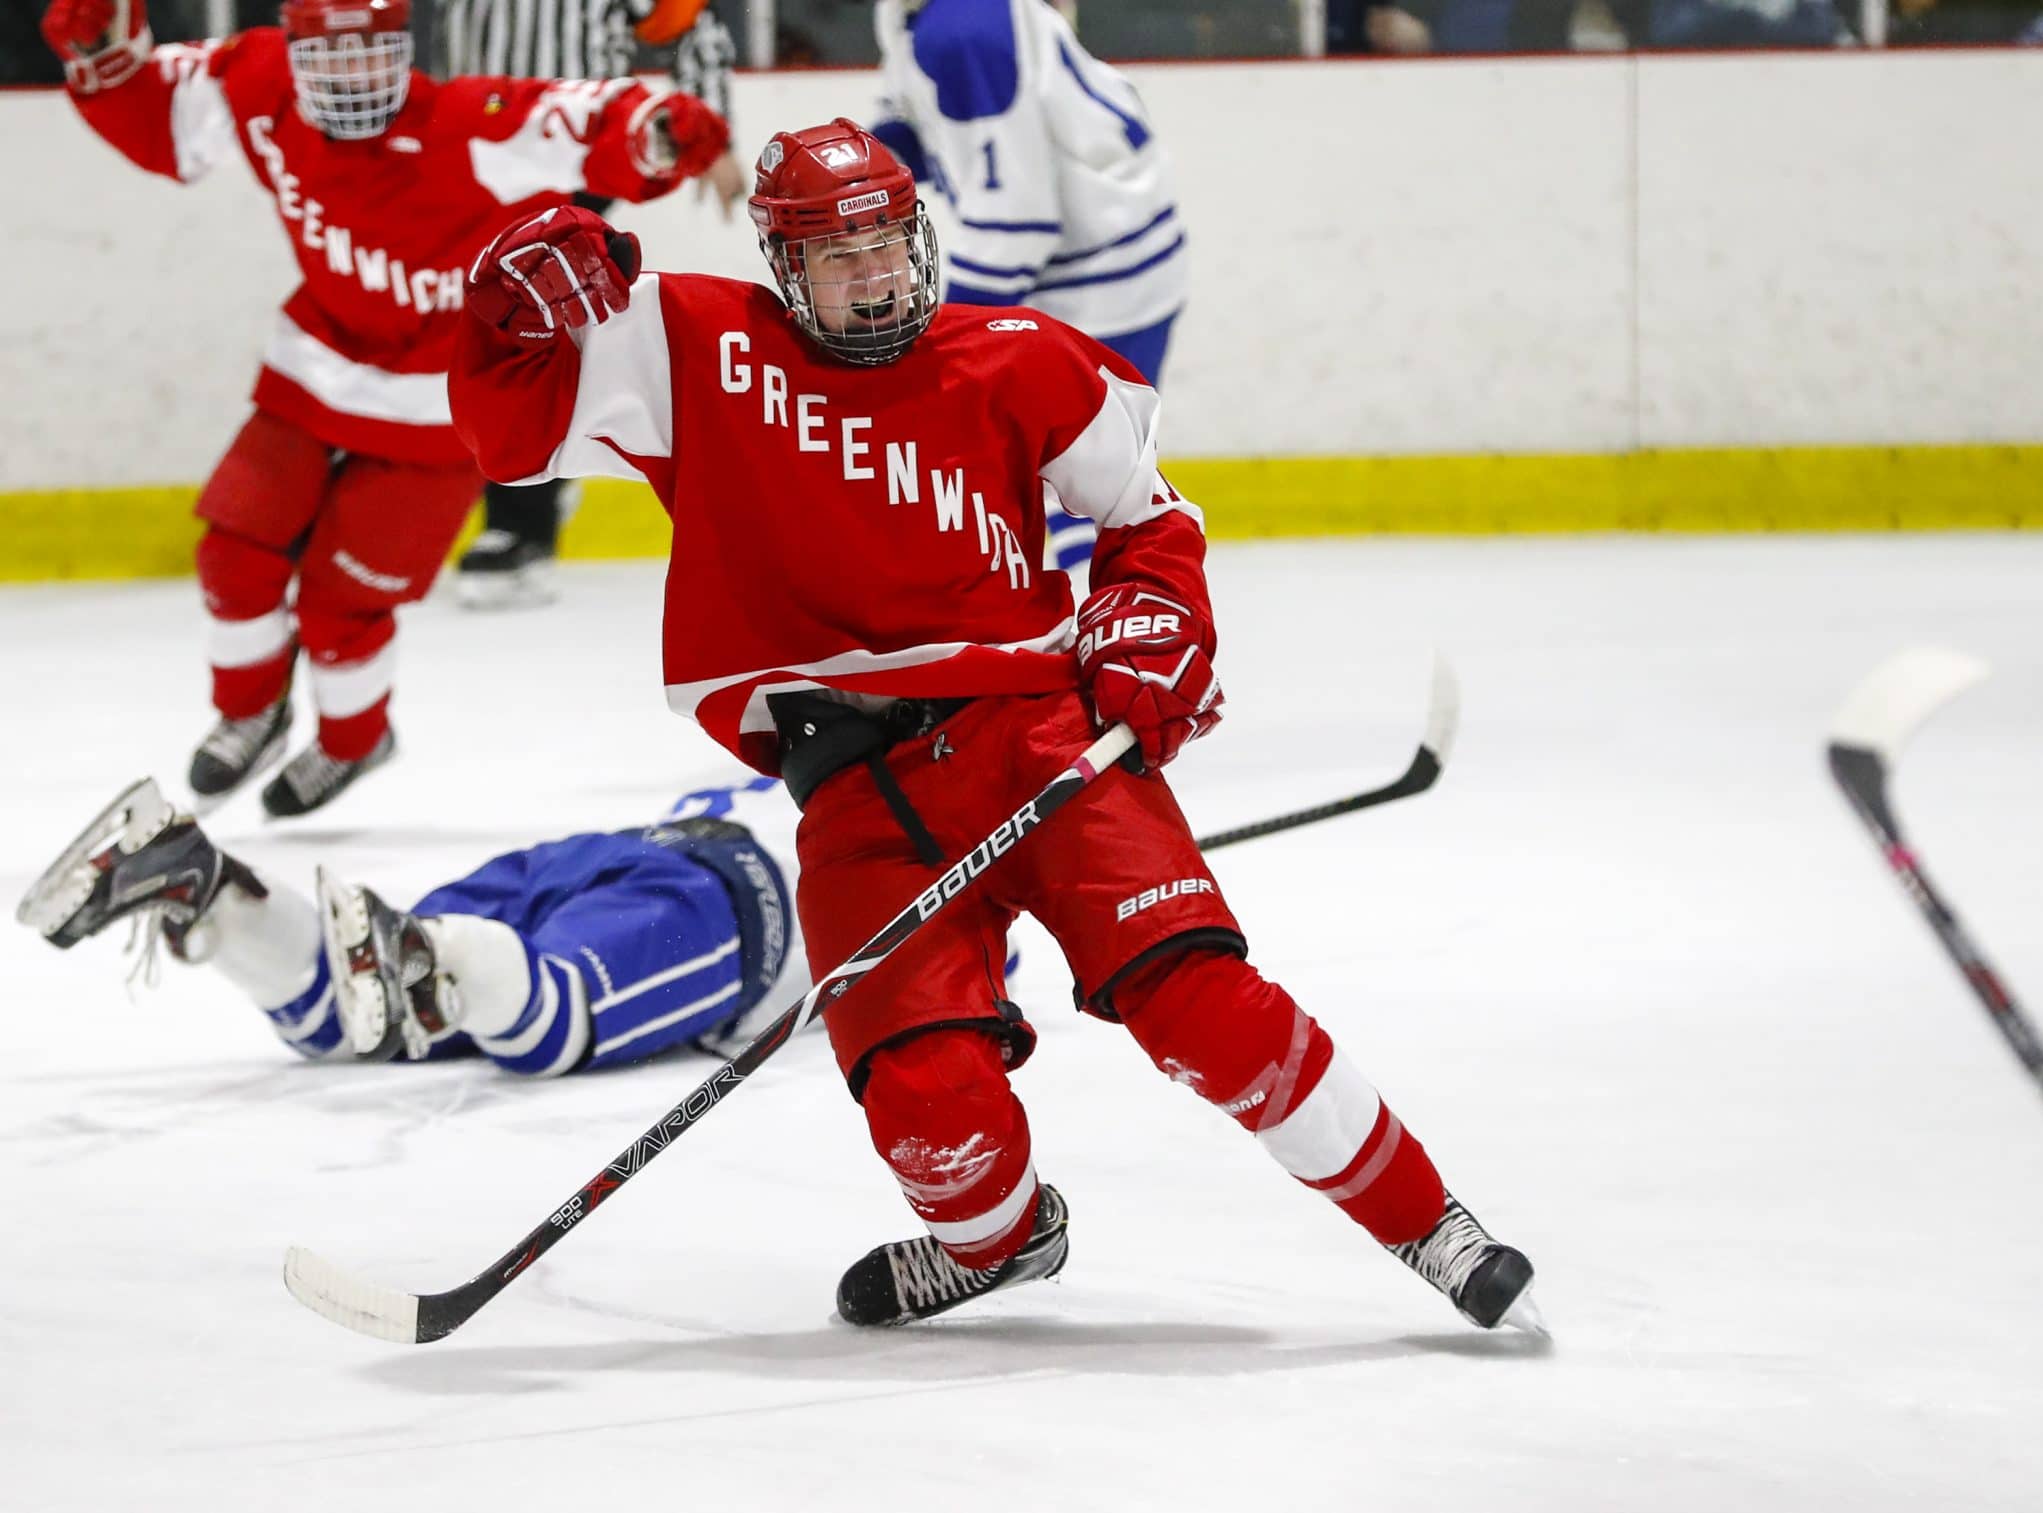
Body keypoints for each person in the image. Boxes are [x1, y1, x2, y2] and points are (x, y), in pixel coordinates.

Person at [445, 119, 1539, 1332]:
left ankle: (1428, 1222)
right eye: (837, 256)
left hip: (1040, 737)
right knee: (925, 1103)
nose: (873, 278)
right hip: (855, 786)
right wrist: (500, 305)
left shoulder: (1018, 357)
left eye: (886, 245)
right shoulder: (690, 344)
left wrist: (1153, 616)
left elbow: (1147, 519)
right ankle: (997, 1244)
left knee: (1203, 1007)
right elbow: (505, 431)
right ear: (783, 265)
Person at [39, 0, 728, 816]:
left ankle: (354, 737)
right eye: (331, 57)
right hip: (316, 366)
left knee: (342, 605)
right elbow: (163, 111)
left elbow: (580, 117)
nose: (354, 78)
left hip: (440, 403)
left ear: (405, 46)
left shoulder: (464, 123)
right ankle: (249, 709)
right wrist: (101, 57)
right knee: (233, 553)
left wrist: (660, 130)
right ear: (295, 53)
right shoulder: (259, 82)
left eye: (371, 52)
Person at [18, 774, 803, 1073]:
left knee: (356, 1014)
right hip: (734, 891)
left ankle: (206, 884)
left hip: (610, 850)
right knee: (551, 1018)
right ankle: (438, 952)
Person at [429, 0, 749, 607]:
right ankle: (535, 487)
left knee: (532, 299)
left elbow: (689, 22)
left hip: (579, 149)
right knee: (487, 313)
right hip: (476, 147)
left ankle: (522, 519)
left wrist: (709, 133)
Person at [870, 0, 1187, 578]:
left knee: (1080, 479)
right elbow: (920, 124)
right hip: (1107, 259)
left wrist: (940, 347)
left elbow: (1017, 224)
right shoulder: (924, 16)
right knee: (1062, 476)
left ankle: (1124, 622)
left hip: (1100, 282)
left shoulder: (964, 29)